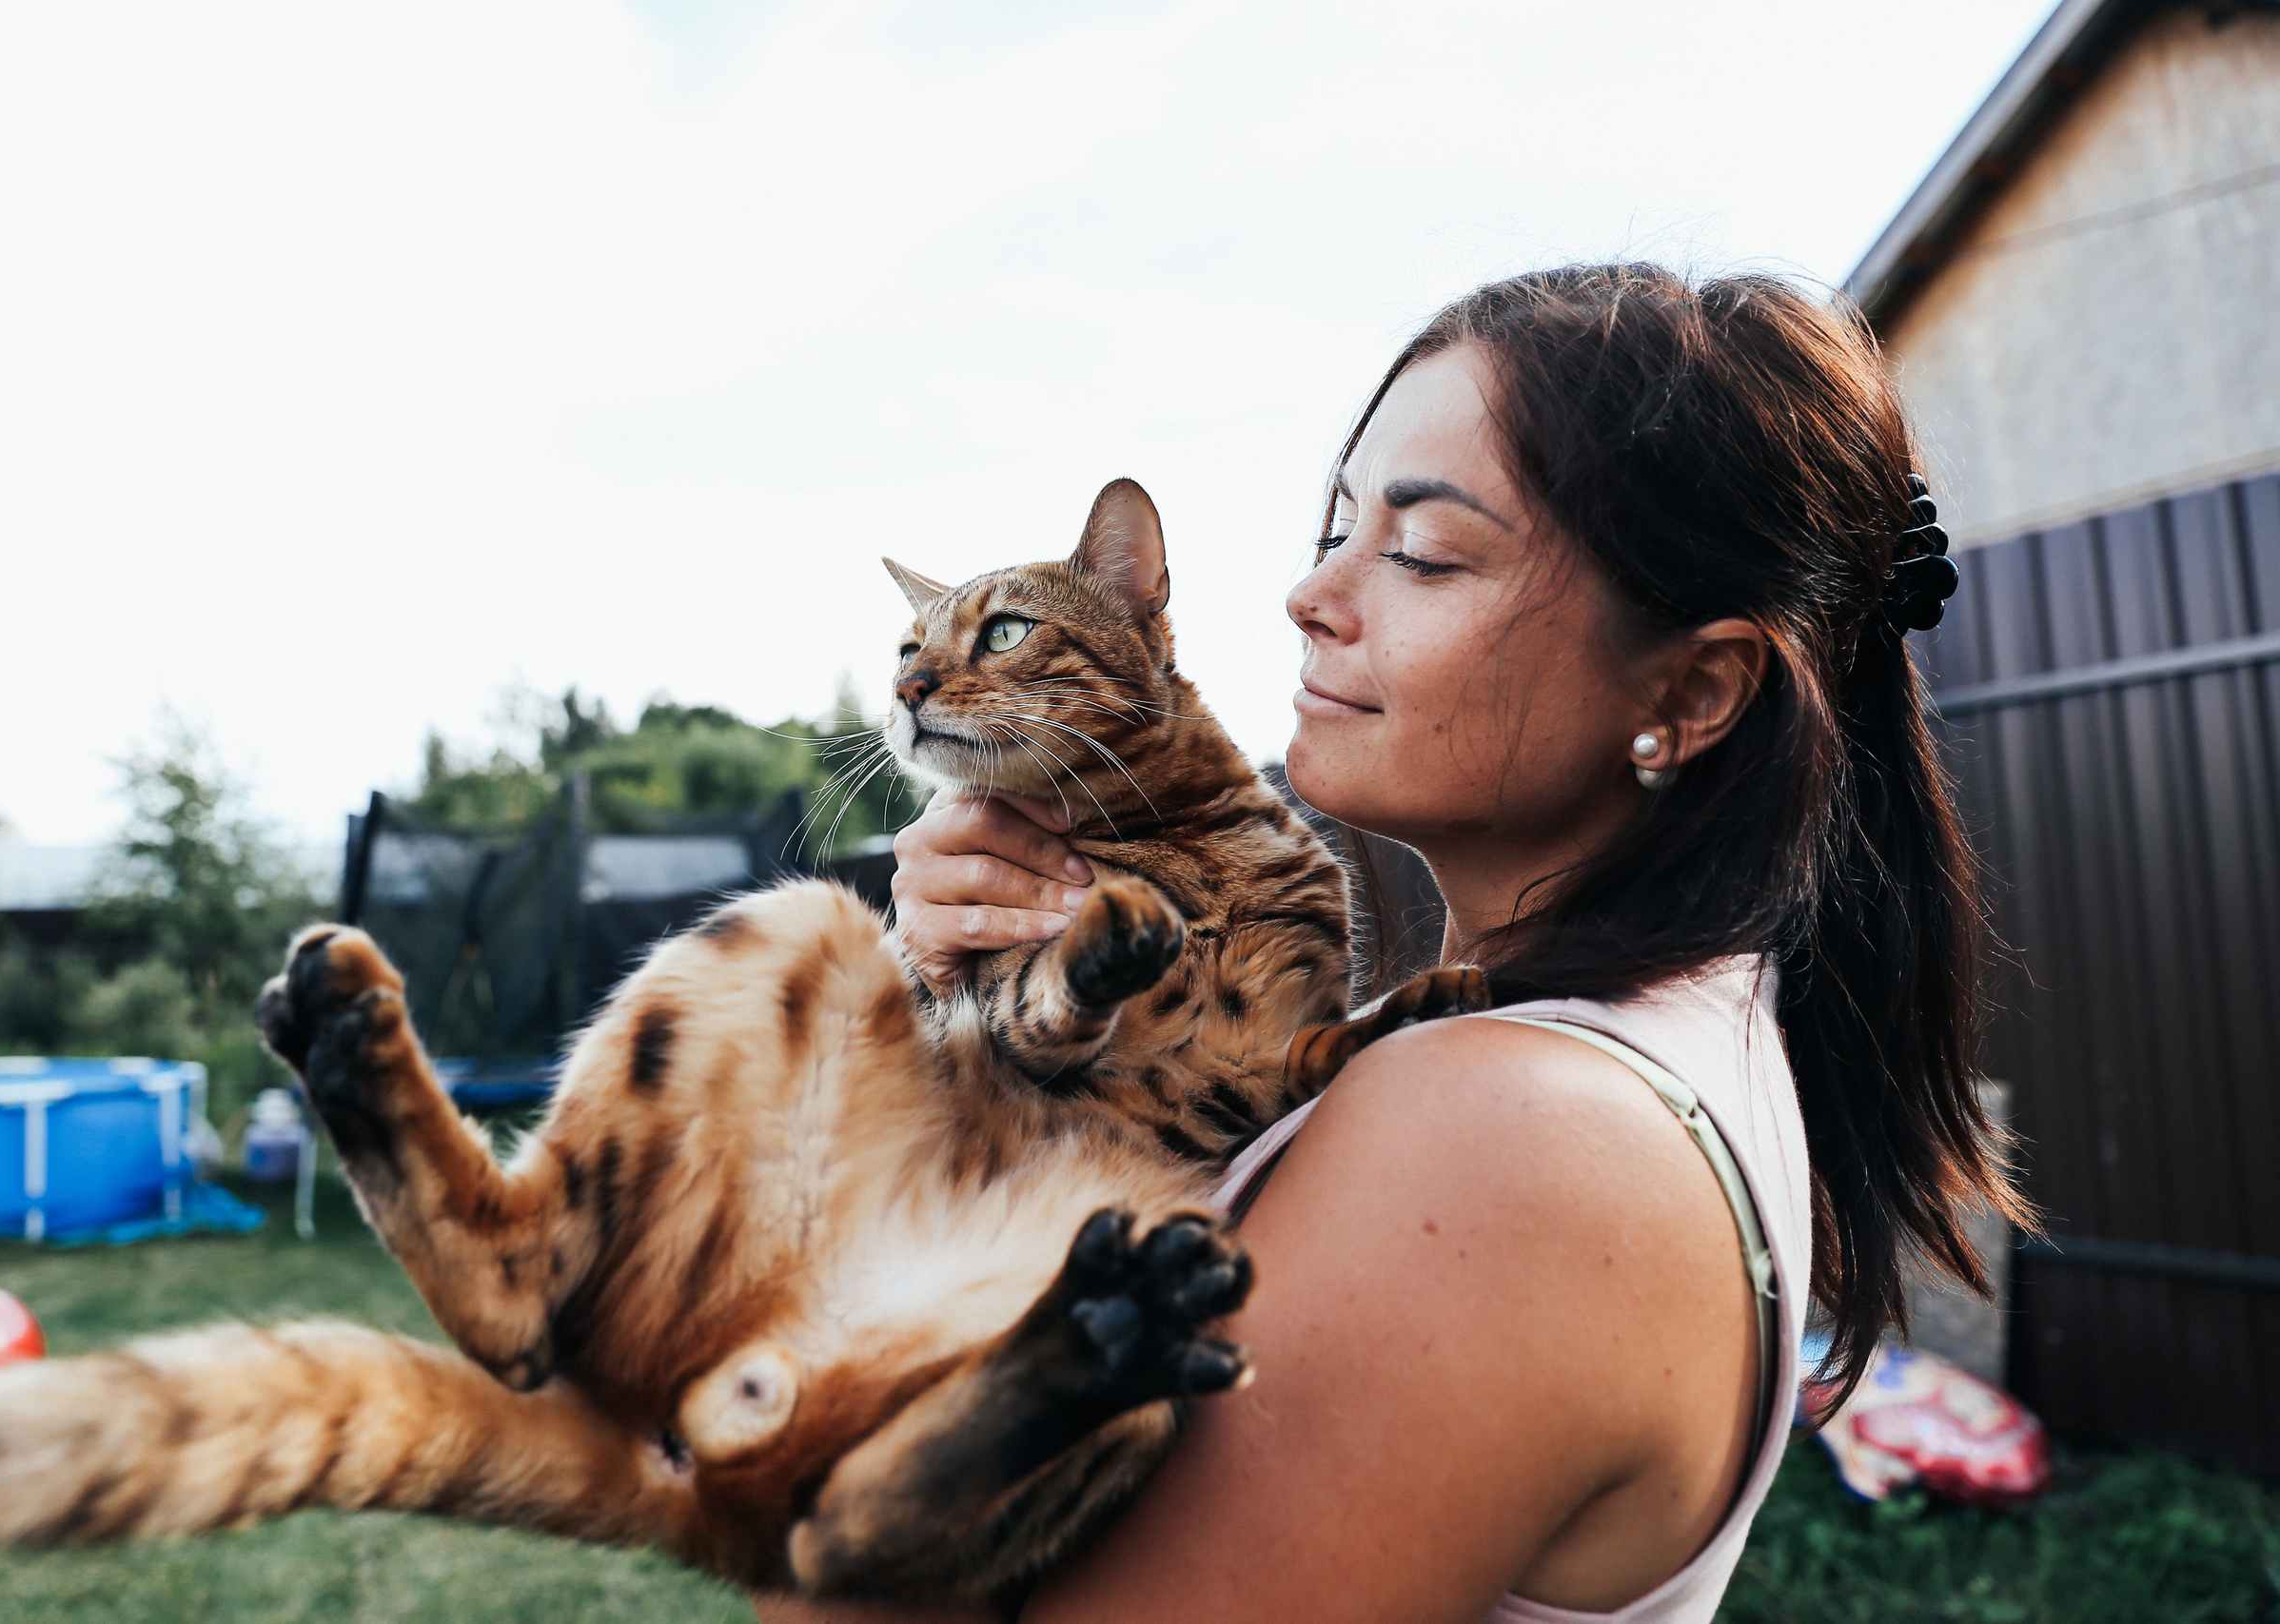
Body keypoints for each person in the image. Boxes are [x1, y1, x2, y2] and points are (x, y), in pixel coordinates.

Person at [765, 263, 2025, 1624]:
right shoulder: (1660, 1035)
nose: (1309, 594)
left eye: (1421, 551)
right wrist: (964, 1032)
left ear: (1692, 690)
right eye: (1336, 524)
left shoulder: (1511, 1134)